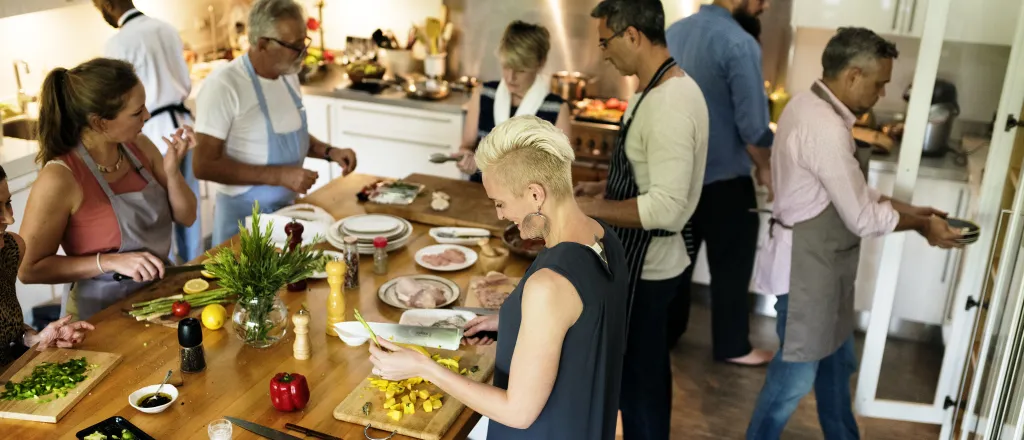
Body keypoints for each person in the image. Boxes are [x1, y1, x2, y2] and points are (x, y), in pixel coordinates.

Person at [746, 27, 963, 439]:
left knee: (836, 366)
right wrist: (921, 226)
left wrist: (910, 210)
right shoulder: (824, 127)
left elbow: (853, 192)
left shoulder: (811, 106)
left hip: (825, 268)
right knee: (792, 381)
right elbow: (862, 217)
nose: (882, 93)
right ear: (852, 76)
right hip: (806, 273)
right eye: (880, 83)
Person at [368, 115, 629, 440]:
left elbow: (517, 412)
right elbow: (585, 331)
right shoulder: (605, 237)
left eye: (501, 202)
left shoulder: (549, 285)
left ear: (535, 194)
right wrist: (510, 322)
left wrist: (422, 367)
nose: (500, 214)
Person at [573, 1, 709, 438]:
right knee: (641, 379)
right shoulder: (654, 88)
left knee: (640, 388)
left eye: (605, 42)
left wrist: (589, 210)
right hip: (639, 263)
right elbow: (645, 178)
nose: (604, 54)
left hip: (650, 272)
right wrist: (599, 191)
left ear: (632, 35)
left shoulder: (670, 102)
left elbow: (667, 206)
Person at [17, 58, 197, 321]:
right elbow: (28, 269)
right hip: (99, 316)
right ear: (100, 122)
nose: (147, 115)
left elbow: (187, 216)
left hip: (158, 297)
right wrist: (110, 261)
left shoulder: (140, 147)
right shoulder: (60, 178)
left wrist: (172, 172)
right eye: (137, 113)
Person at [664, 0, 775, 366]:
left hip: (676, 177)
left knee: (677, 263)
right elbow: (753, 125)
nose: (765, 5)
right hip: (725, 181)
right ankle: (733, 346)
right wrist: (766, 167)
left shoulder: (673, 34)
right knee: (733, 261)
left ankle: (666, 335)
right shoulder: (740, 43)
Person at [193, 0, 356, 245]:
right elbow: (203, 165)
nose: (303, 52)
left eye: (304, 42)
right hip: (243, 222)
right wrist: (279, 176)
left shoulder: (287, 75)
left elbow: (290, 134)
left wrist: (330, 152)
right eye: (294, 46)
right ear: (262, 44)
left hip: (287, 216)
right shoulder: (224, 86)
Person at [93, 0, 204, 263]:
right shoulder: (165, 28)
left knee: (160, 211)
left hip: (150, 132)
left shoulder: (116, 44)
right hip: (183, 126)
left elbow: (117, 100)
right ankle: (195, 266)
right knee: (188, 206)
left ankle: (171, 270)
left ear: (107, 5)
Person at [0, 165, 95, 367]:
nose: (9, 218)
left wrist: (35, 339)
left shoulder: (10, 249)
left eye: (7, 203)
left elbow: (9, 336)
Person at [454, 20, 572, 183]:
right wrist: (465, 158)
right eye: (506, 66)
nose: (510, 77)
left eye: (521, 70)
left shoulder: (556, 109)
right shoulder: (484, 94)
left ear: (541, 63)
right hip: (479, 196)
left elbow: (559, 174)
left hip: (529, 204)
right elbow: (467, 147)